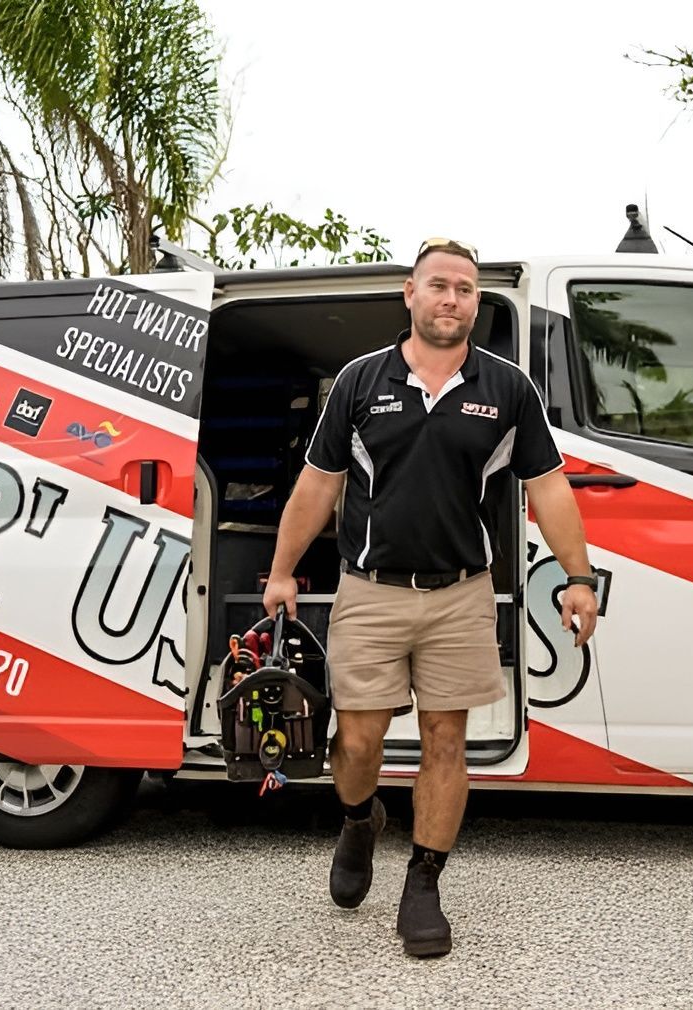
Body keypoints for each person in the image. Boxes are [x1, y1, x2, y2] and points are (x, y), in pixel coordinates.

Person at [262, 237, 597, 958]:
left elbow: (548, 488)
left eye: (466, 289)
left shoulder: (507, 388)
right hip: (370, 591)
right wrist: (283, 570)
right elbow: (318, 483)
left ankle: (423, 883)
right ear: (409, 294)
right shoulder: (359, 380)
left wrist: (577, 576)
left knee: (448, 739)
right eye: (439, 285)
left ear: (477, 302)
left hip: (460, 595)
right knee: (356, 741)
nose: (452, 299)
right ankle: (358, 821)